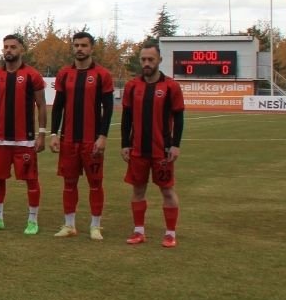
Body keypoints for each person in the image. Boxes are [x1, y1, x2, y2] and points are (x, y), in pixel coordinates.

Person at [50, 31, 115, 240]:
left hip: (91, 140)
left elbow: (108, 107)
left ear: (91, 48)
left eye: (84, 45)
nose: (79, 49)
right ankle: (69, 225)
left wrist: (102, 135)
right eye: (76, 45)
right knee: (69, 183)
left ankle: (95, 226)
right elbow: (58, 107)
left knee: (95, 183)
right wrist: (53, 133)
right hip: (69, 139)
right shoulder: (64, 74)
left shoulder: (102, 75)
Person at [121, 44, 185, 248]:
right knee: (138, 189)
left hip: (162, 150)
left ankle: (170, 233)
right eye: (143, 60)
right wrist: (125, 144)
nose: (146, 63)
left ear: (159, 60)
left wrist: (175, 145)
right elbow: (126, 117)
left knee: (167, 190)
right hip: (138, 149)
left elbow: (179, 117)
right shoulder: (132, 86)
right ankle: (138, 231)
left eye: (151, 59)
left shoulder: (171, 87)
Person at [0, 34, 47, 234]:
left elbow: (41, 105)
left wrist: (42, 134)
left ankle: (32, 221)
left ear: (21, 50)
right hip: (1, 139)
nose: (8, 50)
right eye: (6, 47)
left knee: (31, 180)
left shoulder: (32, 75)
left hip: (24, 140)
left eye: (13, 47)